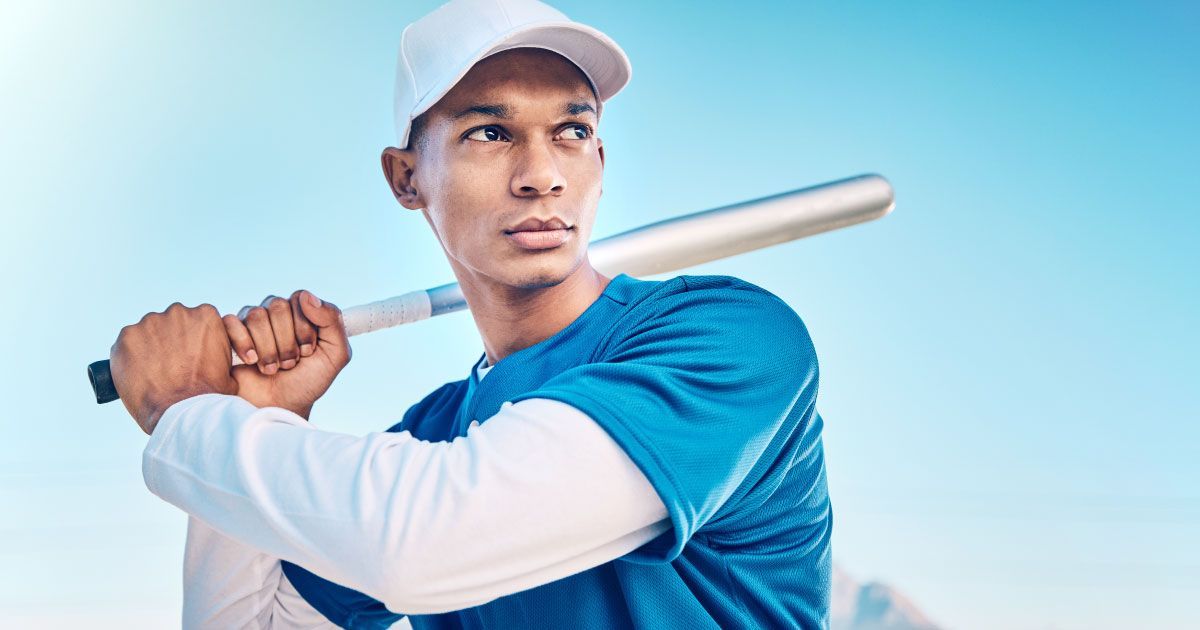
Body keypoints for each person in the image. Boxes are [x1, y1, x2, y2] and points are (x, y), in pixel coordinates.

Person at [109, 0, 832, 627]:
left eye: (571, 133)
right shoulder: (439, 435)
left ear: (600, 164)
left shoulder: (732, 341)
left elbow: (419, 545)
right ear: (406, 177)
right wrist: (257, 412)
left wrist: (192, 413)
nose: (543, 176)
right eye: (491, 132)